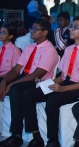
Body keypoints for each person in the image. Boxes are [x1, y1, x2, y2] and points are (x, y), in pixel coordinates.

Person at [21, 16, 79, 147]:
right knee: (29, 93)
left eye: (75, 27)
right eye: (71, 26)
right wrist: (46, 83)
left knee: (52, 101)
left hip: (78, 87)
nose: (71, 30)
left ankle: (53, 140)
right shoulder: (68, 50)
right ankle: (36, 135)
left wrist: (63, 89)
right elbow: (62, 77)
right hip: (65, 83)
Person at [0, 19, 59, 147]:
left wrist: (12, 84)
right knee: (15, 87)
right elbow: (16, 69)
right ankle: (17, 135)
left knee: (17, 89)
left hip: (40, 82)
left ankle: (17, 135)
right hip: (26, 78)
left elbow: (36, 74)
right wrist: (5, 81)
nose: (31, 31)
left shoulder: (49, 50)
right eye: (31, 28)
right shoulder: (30, 47)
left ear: (44, 32)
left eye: (35, 29)